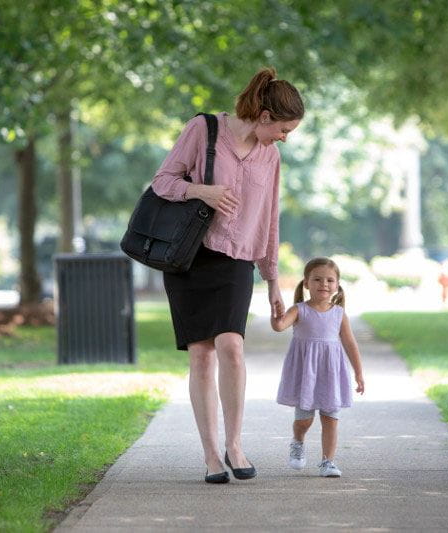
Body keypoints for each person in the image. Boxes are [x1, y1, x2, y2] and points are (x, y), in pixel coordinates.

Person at [150, 67, 304, 484]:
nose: (285, 138)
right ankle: (210, 455)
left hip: (237, 260)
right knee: (201, 354)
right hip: (189, 256)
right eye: (284, 129)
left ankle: (234, 445)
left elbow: (269, 219)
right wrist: (202, 190)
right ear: (265, 116)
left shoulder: (270, 157)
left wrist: (272, 280)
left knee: (232, 347)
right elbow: (162, 182)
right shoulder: (204, 130)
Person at [271, 257, 365, 477]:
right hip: (306, 374)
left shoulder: (339, 314)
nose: (324, 284)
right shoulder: (299, 310)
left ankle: (327, 462)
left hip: (331, 374)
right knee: (304, 420)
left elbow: (350, 343)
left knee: (331, 419)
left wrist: (359, 373)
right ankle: (298, 440)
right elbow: (280, 326)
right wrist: (276, 315)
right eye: (317, 279)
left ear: (337, 285)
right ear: (306, 283)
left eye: (330, 280)